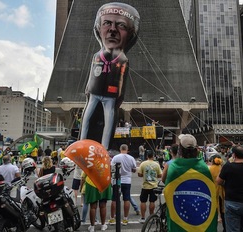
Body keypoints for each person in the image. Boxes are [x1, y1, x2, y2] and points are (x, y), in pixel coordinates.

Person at [79, 2, 140, 150]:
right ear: (99, 28)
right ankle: (81, 143)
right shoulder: (97, 56)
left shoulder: (122, 59)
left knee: (109, 120)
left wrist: (118, 97)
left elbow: (121, 81)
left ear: (130, 33)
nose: (113, 30)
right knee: (86, 118)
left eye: (121, 25)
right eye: (107, 23)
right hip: (94, 93)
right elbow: (92, 75)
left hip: (110, 97)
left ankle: (104, 149)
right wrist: (88, 89)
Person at [164, 134, 217, 231]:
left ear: (180, 150)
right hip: (200, 219)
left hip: (180, 218)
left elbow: (166, 186)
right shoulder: (204, 168)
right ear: (196, 150)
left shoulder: (174, 168)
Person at [217, 145, 243, 232]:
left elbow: (219, 181)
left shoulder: (228, 166)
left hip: (232, 202)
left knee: (233, 229)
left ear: (234, 155)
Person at [109, 144, 137, 226]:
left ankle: (112, 218)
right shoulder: (131, 158)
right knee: (126, 199)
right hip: (127, 180)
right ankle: (125, 218)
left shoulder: (115, 157)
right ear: (127, 149)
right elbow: (134, 169)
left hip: (117, 180)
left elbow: (112, 169)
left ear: (120, 149)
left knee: (114, 199)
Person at [137, 148, 162, 223]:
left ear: (147, 156)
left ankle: (143, 218)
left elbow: (139, 174)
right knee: (152, 201)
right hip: (154, 186)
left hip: (145, 186)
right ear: (153, 156)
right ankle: (152, 217)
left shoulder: (143, 164)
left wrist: (145, 175)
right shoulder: (156, 164)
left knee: (143, 201)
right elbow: (160, 175)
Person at [209, 155, 226, 231]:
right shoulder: (223, 169)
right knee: (223, 211)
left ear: (213, 160)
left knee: (213, 212)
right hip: (223, 192)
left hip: (212, 192)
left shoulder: (210, 169)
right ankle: (225, 228)